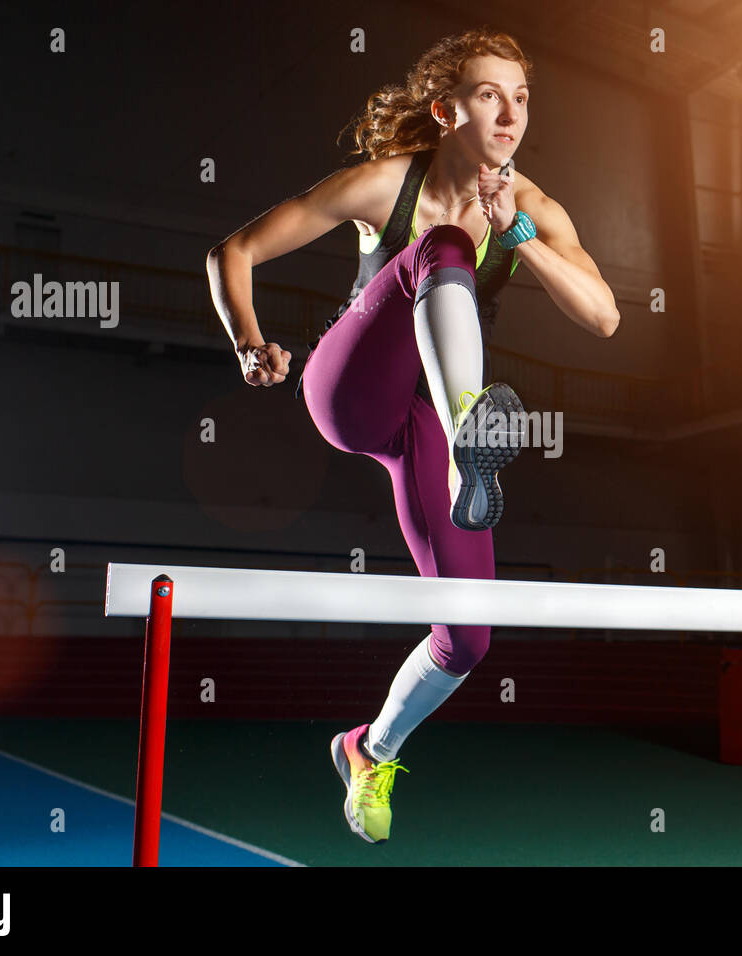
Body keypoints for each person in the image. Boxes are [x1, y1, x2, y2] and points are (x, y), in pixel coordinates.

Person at [205, 26, 619, 844]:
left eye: (522, 97)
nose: (510, 113)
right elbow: (235, 251)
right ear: (447, 109)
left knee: (468, 634)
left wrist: (522, 237)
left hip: (424, 421)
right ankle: (474, 425)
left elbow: (604, 316)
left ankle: (370, 748)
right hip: (351, 389)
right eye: (489, 94)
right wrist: (252, 344)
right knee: (441, 244)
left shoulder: (531, 206)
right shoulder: (387, 183)